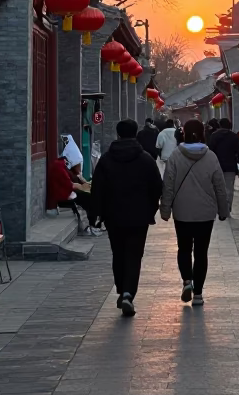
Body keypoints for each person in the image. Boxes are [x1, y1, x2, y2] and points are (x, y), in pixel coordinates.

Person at [91, 119, 163, 317]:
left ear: (118, 134)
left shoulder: (106, 159)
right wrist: (151, 209)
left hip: (113, 215)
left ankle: (122, 289)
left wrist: (95, 214)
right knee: (134, 255)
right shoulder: (146, 159)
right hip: (139, 217)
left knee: (118, 253)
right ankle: (128, 294)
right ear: (135, 133)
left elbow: (97, 188)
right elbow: (157, 187)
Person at [160, 119, 228, 307]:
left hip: (182, 211)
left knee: (184, 248)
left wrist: (165, 209)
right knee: (201, 252)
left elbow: (168, 185)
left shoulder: (175, 156)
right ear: (203, 133)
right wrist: (223, 210)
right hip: (205, 213)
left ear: (183, 133)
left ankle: (187, 281)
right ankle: (198, 294)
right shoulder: (211, 157)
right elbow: (220, 186)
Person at [208, 118, 239, 214]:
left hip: (216, 166)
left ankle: (219, 208)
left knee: (216, 188)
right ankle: (227, 208)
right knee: (229, 189)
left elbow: (210, 151)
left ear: (220, 125)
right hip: (230, 166)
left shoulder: (214, 136)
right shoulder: (234, 137)